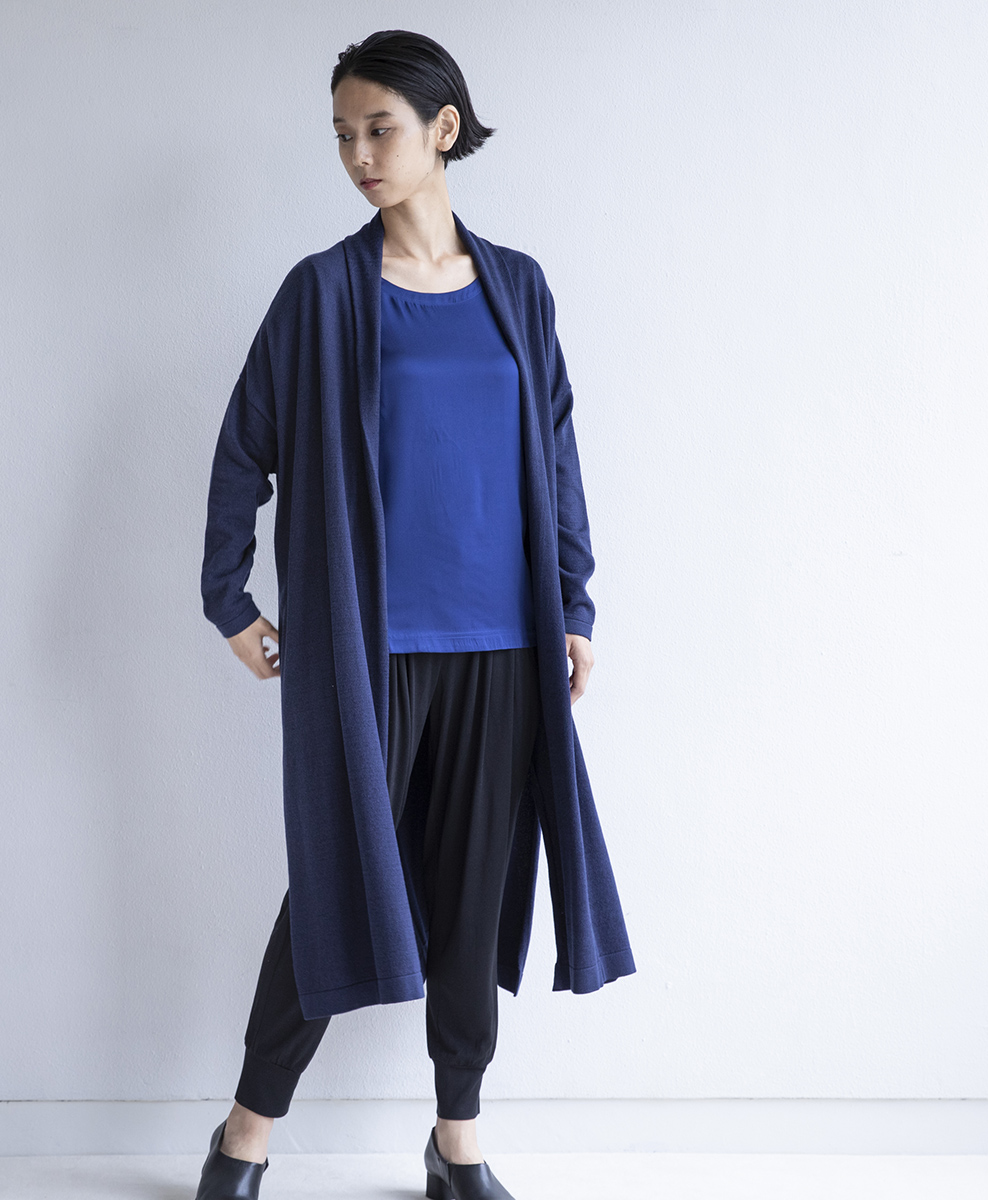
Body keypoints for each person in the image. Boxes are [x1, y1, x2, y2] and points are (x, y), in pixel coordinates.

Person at [194, 29, 635, 1200]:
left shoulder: (518, 288)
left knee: (473, 900)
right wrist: (228, 599)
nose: (358, 154)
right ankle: (245, 1132)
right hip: (367, 652)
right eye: (343, 134)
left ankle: (457, 1142)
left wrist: (574, 602)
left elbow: (556, 456)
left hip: (505, 646)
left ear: (443, 129)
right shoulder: (321, 294)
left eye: (378, 128)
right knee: (333, 887)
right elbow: (243, 452)